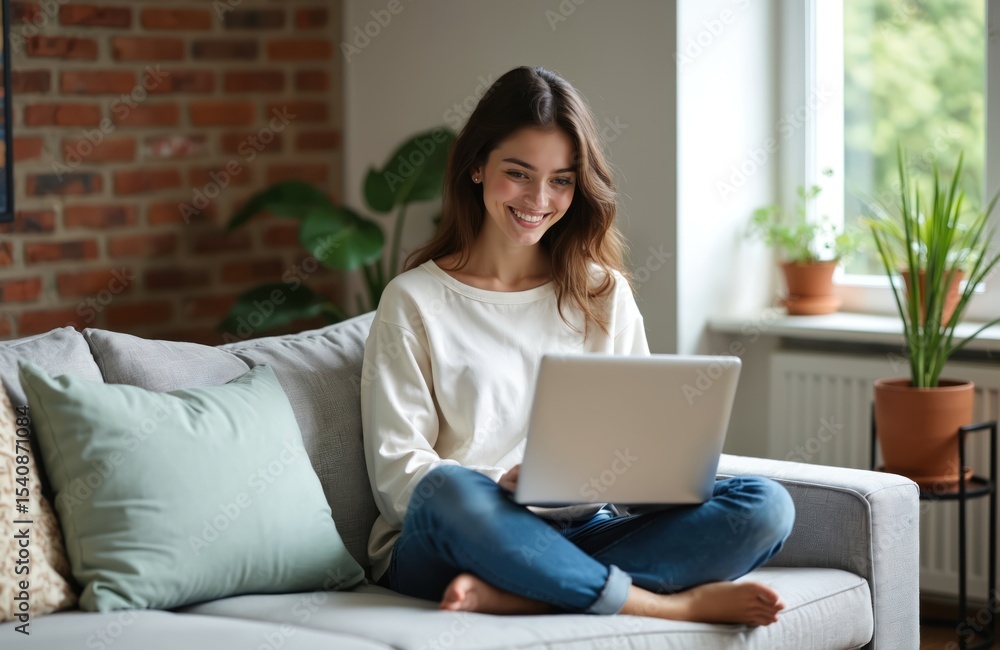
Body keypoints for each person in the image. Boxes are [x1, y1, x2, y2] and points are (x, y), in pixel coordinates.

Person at [360, 66, 795, 625]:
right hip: (458, 536)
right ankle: (663, 605)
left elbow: (640, 444)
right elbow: (398, 476)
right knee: (448, 488)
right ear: (477, 166)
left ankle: (527, 592)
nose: (538, 199)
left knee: (765, 505)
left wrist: (650, 476)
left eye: (561, 180)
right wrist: (500, 485)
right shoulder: (413, 300)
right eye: (518, 174)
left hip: (583, 527)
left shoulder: (601, 293)